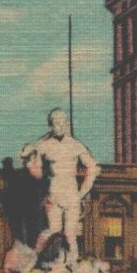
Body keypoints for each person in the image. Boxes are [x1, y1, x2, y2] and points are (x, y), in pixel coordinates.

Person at [20, 107, 100, 263]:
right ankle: (34, 257)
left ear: (67, 124)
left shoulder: (76, 145)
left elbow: (92, 167)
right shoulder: (45, 144)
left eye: (63, 122)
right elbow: (26, 153)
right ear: (51, 125)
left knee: (70, 234)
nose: (60, 125)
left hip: (71, 193)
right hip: (54, 192)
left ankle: (72, 267)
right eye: (56, 122)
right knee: (53, 230)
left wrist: (82, 191)